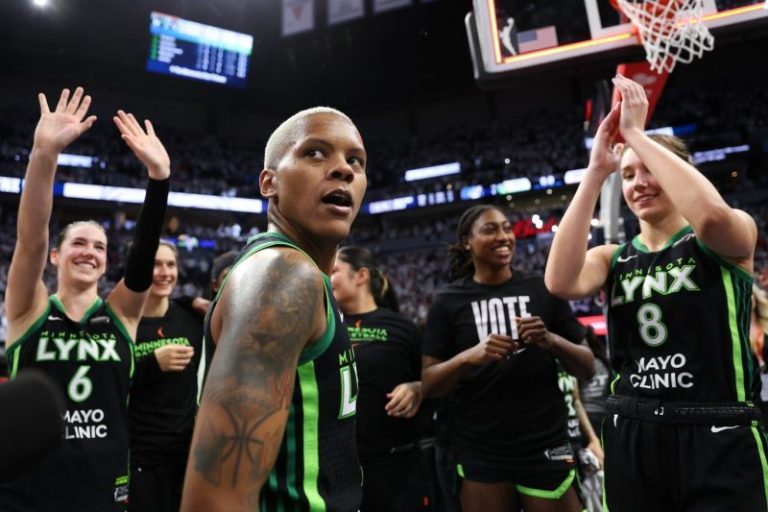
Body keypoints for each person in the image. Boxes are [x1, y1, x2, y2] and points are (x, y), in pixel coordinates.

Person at [545, 74, 767, 511]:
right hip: (635, 427)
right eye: (629, 175)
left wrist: (636, 136)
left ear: (679, 173)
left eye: (649, 169)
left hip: (716, 428)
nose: (638, 183)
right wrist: (597, 173)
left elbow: (711, 217)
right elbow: (560, 282)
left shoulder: (722, 237)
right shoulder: (612, 256)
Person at [181, 107, 367, 511]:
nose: (344, 169)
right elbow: (215, 499)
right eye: (315, 153)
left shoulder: (301, 275)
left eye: (356, 160)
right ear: (269, 182)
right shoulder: (284, 276)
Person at [0, 87, 170, 510]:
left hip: (103, 487)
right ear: (56, 256)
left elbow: (143, 258)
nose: (89, 253)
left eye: (99, 247)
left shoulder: (121, 315)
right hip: (27, 491)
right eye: (78, 243)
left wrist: (159, 179)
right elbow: (31, 239)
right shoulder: (29, 309)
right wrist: (44, 155)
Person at [422, 204, 594, 512]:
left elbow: (588, 367)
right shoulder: (448, 301)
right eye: (490, 230)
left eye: (506, 228)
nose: (503, 236)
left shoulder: (543, 287)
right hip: (480, 450)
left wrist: (550, 340)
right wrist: (468, 357)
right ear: (467, 242)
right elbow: (429, 383)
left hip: (545, 445)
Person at [330, 245, 427, 512]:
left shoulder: (403, 328)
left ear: (361, 275)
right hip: (335, 466)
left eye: (334, 271)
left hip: (395, 469)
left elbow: (437, 384)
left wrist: (419, 388)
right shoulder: (322, 328)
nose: (327, 278)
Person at [128, 241, 204, 512]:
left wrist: (191, 300)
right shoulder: (123, 322)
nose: (165, 272)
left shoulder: (192, 318)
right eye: (155, 265)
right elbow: (109, 384)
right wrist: (152, 364)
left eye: (170, 265)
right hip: (139, 458)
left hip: (186, 456)